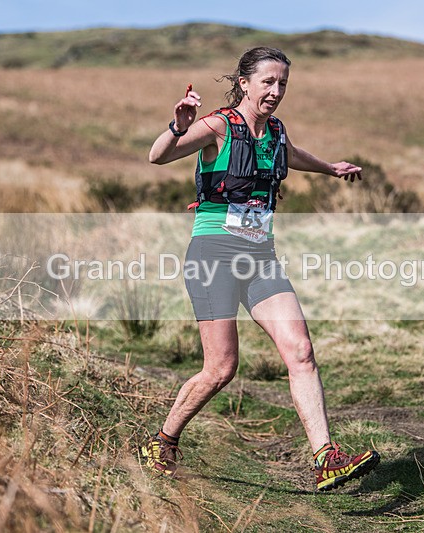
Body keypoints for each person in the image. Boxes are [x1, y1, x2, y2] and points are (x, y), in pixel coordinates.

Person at [144, 47, 379, 491]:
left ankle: (325, 458)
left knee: (301, 351)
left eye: (283, 84)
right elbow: (159, 155)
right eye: (268, 82)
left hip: (260, 257)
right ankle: (162, 441)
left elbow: (291, 155)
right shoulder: (218, 125)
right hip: (213, 254)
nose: (275, 92)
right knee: (220, 368)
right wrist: (178, 125)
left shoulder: (274, 132)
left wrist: (330, 169)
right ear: (245, 83)